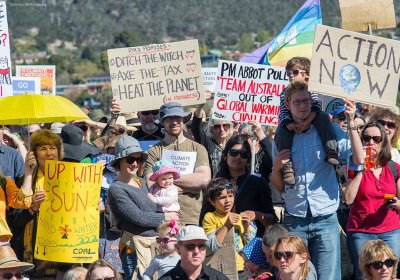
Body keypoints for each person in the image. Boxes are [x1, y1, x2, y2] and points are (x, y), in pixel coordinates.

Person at [270, 82, 363, 280]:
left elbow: (358, 160)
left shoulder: (327, 128)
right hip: (294, 218)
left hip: (325, 217)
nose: (303, 106)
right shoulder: (281, 135)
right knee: (294, 276)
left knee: (329, 276)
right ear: (287, 104)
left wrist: (352, 122)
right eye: (297, 102)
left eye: (306, 101)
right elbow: (279, 186)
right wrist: (276, 167)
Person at [107, 135, 179, 279]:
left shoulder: (141, 182)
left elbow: (156, 206)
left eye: (139, 159)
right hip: (133, 249)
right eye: (130, 159)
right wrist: (166, 216)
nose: (135, 164)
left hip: (155, 246)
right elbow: (139, 217)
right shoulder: (116, 189)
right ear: (119, 161)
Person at [342, 121, 400, 279]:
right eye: (366, 138)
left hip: (391, 231)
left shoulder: (393, 167)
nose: (371, 143)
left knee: (389, 275)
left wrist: (397, 204)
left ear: (384, 142)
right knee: (363, 276)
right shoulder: (354, 166)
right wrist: (362, 169)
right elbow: (348, 199)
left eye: (376, 139)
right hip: (362, 232)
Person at [144, 102, 211, 225]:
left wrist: (164, 179)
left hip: (191, 216)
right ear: (162, 123)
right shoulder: (154, 150)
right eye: (169, 119)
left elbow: (203, 180)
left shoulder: (198, 148)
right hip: (164, 218)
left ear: (183, 120)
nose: (174, 122)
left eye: (177, 118)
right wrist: (191, 187)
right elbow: (152, 185)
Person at [274, 57, 338, 185]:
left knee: (324, 117)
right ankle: (287, 167)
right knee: (281, 129)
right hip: (292, 121)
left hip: (314, 117)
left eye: (295, 72)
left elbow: (316, 107)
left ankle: (331, 150)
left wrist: (307, 122)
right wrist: (288, 123)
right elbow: (283, 111)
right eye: (288, 73)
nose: (291, 75)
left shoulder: (312, 89)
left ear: (307, 74)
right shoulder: (284, 92)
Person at [14, 129, 65, 278]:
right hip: (36, 259)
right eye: (43, 149)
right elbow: (15, 220)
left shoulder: (72, 177)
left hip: (64, 256)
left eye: (53, 148)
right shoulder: (25, 181)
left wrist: (93, 207)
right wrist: (33, 207)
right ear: (34, 154)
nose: (49, 153)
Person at [211, 135, 277, 237]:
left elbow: (272, 221)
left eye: (243, 154)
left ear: (248, 158)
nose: (238, 157)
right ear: (225, 155)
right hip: (222, 241)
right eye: (234, 153)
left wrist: (257, 215)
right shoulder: (216, 182)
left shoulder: (258, 183)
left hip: (250, 243)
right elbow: (206, 214)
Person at [202, 177, 255, 277]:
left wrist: (247, 228)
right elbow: (212, 246)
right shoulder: (210, 217)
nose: (227, 201)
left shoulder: (239, 218)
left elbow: (250, 248)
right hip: (221, 269)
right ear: (212, 201)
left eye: (230, 196)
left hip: (242, 269)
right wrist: (227, 225)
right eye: (222, 198)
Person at [159, 225, 229, 280]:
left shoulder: (219, 278)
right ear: (178, 249)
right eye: (190, 246)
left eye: (201, 246)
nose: (196, 251)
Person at [192, 90, 234, 178]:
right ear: (212, 129)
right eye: (217, 126)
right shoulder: (209, 144)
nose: (222, 129)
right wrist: (200, 106)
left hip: (231, 187)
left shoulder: (233, 144)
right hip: (213, 187)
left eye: (225, 125)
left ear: (230, 127)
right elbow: (196, 129)